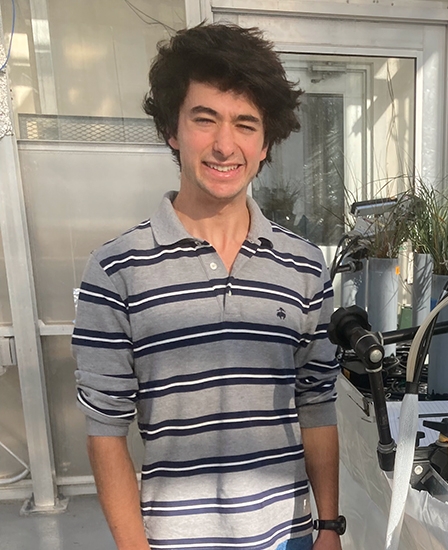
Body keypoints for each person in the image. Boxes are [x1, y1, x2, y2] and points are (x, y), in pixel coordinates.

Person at [72, 23, 343, 550]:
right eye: (204, 119)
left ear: (266, 143)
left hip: (287, 536)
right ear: (173, 130)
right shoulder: (115, 270)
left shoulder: (305, 266)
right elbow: (105, 431)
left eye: (245, 124)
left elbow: (317, 405)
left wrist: (329, 528)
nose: (225, 145)